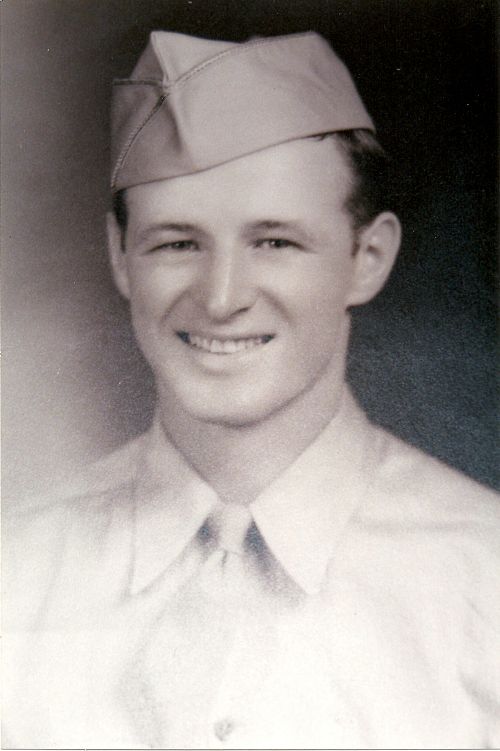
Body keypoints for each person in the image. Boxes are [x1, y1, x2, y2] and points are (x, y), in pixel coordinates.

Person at [3, 30, 499, 750]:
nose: (222, 297)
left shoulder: (486, 579)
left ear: (367, 258)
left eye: (275, 242)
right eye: (178, 242)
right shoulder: (15, 572)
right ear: (120, 256)